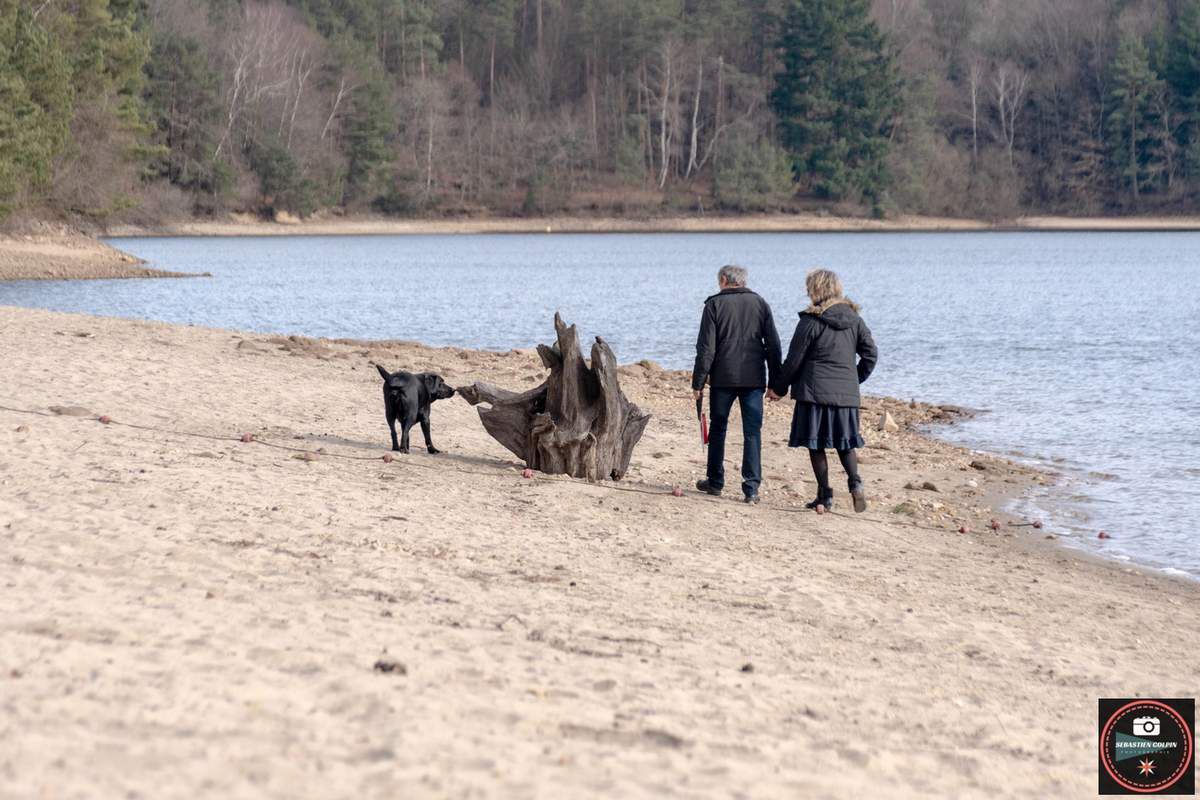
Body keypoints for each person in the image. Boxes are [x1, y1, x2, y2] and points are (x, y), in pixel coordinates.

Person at [768, 268, 877, 513]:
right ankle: (855, 483)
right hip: (845, 394)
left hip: (814, 393)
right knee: (845, 442)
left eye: (809, 288)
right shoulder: (855, 320)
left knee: (816, 444)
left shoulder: (811, 321)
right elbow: (871, 354)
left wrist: (778, 388)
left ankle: (825, 496)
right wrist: (853, 380)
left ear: (815, 290)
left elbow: (794, 360)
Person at [691, 264, 782, 504]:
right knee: (752, 432)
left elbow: (706, 348)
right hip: (753, 378)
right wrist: (776, 383)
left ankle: (715, 481)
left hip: (723, 378)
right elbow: (774, 345)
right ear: (743, 281)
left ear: (723, 279)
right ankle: (751, 488)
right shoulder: (760, 303)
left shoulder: (714, 305)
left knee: (718, 429)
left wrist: (698, 381)